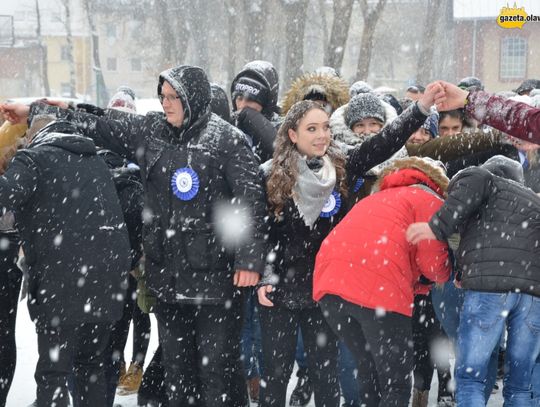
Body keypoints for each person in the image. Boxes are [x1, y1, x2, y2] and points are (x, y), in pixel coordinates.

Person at [1, 64, 269, 407]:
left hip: (215, 284)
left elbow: (251, 201)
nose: (166, 104)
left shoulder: (227, 140)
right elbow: (100, 122)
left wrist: (249, 259)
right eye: (163, 97)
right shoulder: (151, 132)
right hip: (168, 279)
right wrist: (38, 111)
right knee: (176, 372)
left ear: (194, 99)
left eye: (174, 97)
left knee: (216, 372)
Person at [257, 83, 439, 407]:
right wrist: (266, 274)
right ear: (293, 135)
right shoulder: (270, 175)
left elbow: (385, 142)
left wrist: (420, 109)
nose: (321, 136)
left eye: (325, 127)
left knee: (327, 378)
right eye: (311, 129)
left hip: (325, 288)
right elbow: (261, 233)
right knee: (276, 376)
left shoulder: (342, 166)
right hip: (281, 291)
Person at [0, 115, 131, 407]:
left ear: (37, 137)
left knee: (53, 374)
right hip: (106, 283)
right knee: (91, 367)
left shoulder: (33, 160)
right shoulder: (95, 162)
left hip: (61, 285)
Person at [314, 156, 451, 407]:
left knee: (369, 369)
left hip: (330, 287)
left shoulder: (373, 198)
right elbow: (433, 266)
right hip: (379, 290)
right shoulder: (430, 200)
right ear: (437, 183)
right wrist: (447, 272)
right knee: (395, 381)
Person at [407, 155, 540, 406]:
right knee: (521, 385)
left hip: (488, 289)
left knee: (471, 379)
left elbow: (475, 180)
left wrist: (438, 226)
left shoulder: (484, 180)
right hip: (532, 294)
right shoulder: (534, 199)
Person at [0, 120, 27, 407]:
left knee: (4, 330)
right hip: (12, 246)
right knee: (5, 329)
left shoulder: (12, 140)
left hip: (7, 245)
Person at [230, 60, 281, 162]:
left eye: (250, 100)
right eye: (239, 98)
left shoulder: (284, 128)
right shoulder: (229, 125)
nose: (242, 105)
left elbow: (290, 158)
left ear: (266, 104)